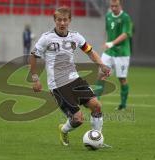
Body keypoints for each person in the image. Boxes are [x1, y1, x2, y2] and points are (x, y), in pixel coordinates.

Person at [29, 6, 110, 146]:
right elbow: (33, 56)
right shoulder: (46, 38)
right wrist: (35, 79)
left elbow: (90, 51)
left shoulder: (76, 36)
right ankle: (64, 130)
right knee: (78, 119)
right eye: (59, 20)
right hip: (58, 85)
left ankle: (98, 140)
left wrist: (102, 65)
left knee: (96, 106)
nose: (62, 23)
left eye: (65, 20)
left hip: (75, 79)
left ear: (69, 20)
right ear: (54, 20)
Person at [95, 0, 133, 110]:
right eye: (112, 6)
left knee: (122, 79)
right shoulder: (108, 16)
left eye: (116, 6)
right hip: (109, 52)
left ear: (120, 6)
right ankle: (96, 101)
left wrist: (112, 43)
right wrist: (108, 42)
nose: (114, 8)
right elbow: (108, 31)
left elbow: (126, 34)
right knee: (101, 74)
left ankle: (123, 105)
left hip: (122, 53)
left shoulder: (126, 17)